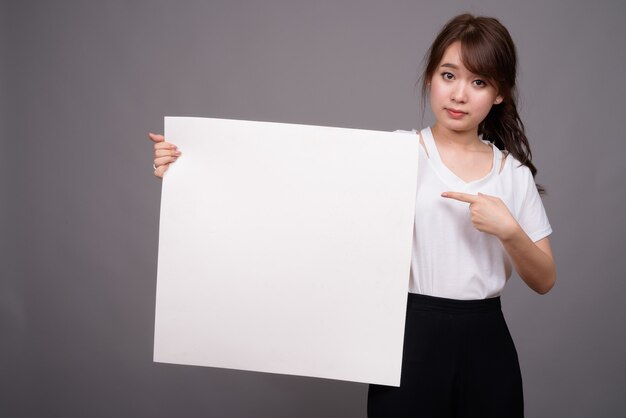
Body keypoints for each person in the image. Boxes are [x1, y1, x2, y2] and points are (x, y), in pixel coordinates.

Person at [149, 13, 555, 418]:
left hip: (487, 344)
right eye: (449, 75)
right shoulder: (393, 155)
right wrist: (190, 172)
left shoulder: (512, 174)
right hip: (406, 341)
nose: (460, 94)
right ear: (431, 77)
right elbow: (291, 198)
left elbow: (544, 279)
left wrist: (509, 231)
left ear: (499, 94)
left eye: (478, 82)